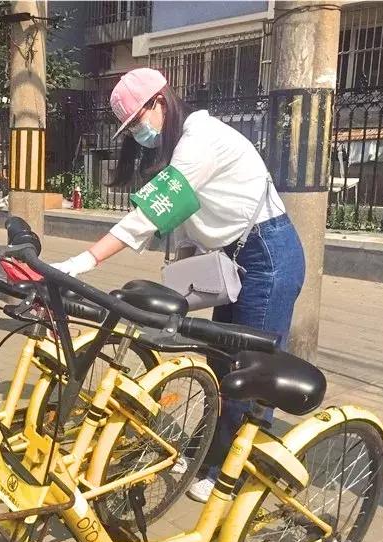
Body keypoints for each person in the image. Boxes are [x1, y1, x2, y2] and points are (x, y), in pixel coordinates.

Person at [51, 68, 305, 503]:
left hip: (267, 253)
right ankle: (213, 451)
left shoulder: (199, 142)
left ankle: (234, 470)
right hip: (235, 255)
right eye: (129, 129)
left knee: (252, 368)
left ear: (160, 103)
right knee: (224, 359)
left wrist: (83, 260)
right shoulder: (179, 150)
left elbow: (147, 215)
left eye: (137, 123)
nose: (137, 135)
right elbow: (179, 227)